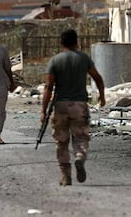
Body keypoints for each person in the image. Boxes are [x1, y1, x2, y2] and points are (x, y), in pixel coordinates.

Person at [41, 29, 105, 186]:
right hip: (79, 105)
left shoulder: (55, 61)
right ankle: (79, 158)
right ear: (76, 42)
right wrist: (102, 96)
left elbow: (49, 86)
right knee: (81, 137)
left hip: (60, 105)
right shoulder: (84, 59)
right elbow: (97, 77)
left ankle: (65, 176)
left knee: (61, 142)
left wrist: (43, 110)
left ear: (61, 42)